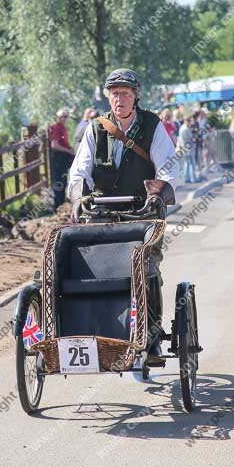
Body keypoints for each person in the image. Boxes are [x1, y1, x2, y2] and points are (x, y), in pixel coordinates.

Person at [68, 68, 179, 360]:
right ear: (108, 97)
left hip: (142, 212)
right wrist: (79, 196)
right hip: (102, 214)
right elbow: (80, 168)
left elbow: (168, 165)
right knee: (93, 269)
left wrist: (157, 193)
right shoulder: (96, 128)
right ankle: (94, 330)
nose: (120, 99)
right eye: (115, 93)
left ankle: (152, 337)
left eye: (126, 94)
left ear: (136, 96)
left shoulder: (153, 126)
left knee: (148, 269)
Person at [49, 109, 75, 208]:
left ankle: (62, 204)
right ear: (58, 118)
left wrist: (69, 148)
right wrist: (68, 150)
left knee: (63, 181)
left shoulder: (63, 128)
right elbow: (54, 145)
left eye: (66, 116)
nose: (64, 118)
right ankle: (57, 205)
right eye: (62, 116)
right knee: (58, 181)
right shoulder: (55, 128)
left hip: (63, 157)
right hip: (58, 157)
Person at [177, 116, 196, 183]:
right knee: (190, 163)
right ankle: (192, 178)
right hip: (187, 148)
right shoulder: (185, 129)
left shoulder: (184, 128)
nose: (190, 123)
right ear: (186, 121)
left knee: (187, 163)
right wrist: (194, 138)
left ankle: (187, 178)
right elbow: (188, 139)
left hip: (185, 147)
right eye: (189, 121)